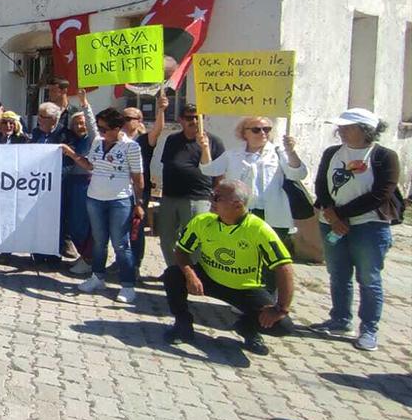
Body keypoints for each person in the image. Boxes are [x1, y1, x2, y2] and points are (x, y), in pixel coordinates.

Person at [162, 179, 295, 355]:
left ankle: (247, 327)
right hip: (209, 278)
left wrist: (281, 308)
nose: (211, 200)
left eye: (217, 198)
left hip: (245, 288)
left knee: (283, 326)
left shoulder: (259, 230)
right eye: (211, 195)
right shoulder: (202, 221)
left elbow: (284, 267)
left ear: (237, 205)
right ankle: (182, 324)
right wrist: (190, 275)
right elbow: (181, 251)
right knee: (172, 274)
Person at [311, 108, 401, 352]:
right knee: (338, 273)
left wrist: (341, 215)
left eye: (347, 127)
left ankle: (369, 329)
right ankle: (340, 319)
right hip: (331, 221)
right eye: (340, 127)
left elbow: (381, 194)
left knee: (368, 278)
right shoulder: (332, 152)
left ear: (365, 130)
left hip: (369, 226)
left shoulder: (384, 156)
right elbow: (321, 185)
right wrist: (330, 212)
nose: (341, 131)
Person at [199, 115, 306, 293]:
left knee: (272, 260)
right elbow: (209, 169)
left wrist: (292, 151)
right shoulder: (233, 154)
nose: (262, 133)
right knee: (244, 257)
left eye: (267, 129)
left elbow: (298, 174)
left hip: (272, 215)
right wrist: (204, 148)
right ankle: (245, 296)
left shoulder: (279, 153)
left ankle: (270, 298)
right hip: (242, 214)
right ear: (244, 133)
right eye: (256, 129)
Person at [68, 107, 144, 304]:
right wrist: (72, 155)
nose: (100, 132)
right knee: (99, 242)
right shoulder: (97, 142)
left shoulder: (131, 147)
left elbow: (138, 178)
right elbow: (90, 165)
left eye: (104, 129)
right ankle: (97, 277)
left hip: (120, 200)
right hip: (95, 198)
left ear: (117, 128)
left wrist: (139, 203)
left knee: (121, 243)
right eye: (99, 128)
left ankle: (127, 286)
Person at [156, 104, 225, 266]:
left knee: (195, 240)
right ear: (180, 120)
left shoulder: (214, 141)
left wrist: (217, 198)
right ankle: (174, 272)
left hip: (198, 198)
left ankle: (193, 273)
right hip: (169, 197)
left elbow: (220, 174)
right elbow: (168, 165)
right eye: (189, 118)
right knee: (166, 238)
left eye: (198, 117)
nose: (194, 121)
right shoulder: (172, 140)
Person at [121, 91, 169, 276]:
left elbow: (158, 129)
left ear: (138, 120)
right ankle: (122, 261)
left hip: (139, 190)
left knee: (136, 227)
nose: (124, 121)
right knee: (120, 228)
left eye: (128, 118)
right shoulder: (116, 139)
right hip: (118, 189)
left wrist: (161, 110)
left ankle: (135, 264)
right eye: (122, 118)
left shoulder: (144, 140)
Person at [60, 90, 98, 274]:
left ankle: (88, 259)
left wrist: (85, 103)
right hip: (72, 184)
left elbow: (92, 126)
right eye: (75, 123)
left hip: (86, 183)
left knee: (84, 224)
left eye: (81, 122)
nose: (79, 126)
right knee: (73, 223)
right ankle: (83, 256)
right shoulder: (73, 140)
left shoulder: (93, 140)